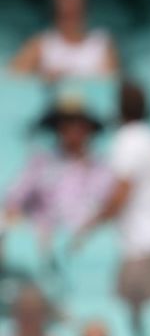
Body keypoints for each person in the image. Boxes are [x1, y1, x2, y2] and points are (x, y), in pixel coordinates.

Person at [76, 82, 150, 313]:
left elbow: (120, 195)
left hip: (141, 251)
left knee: (122, 320)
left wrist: (88, 227)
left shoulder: (127, 140)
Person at [4, 94, 112, 239]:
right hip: (43, 244)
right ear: (58, 128)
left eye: (78, 123)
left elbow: (110, 209)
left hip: (89, 245)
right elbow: (14, 198)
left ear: (88, 128)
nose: (73, 130)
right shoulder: (41, 163)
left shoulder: (102, 168)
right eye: (66, 123)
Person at [8, 0, 118, 80]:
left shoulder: (101, 43)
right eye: (65, 2)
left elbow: (110, 83)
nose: (70, 8)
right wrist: (39, 75)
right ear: (55, 7)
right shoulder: (41, 42)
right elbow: (14, 77)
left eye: (75, 3)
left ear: (85, 7)